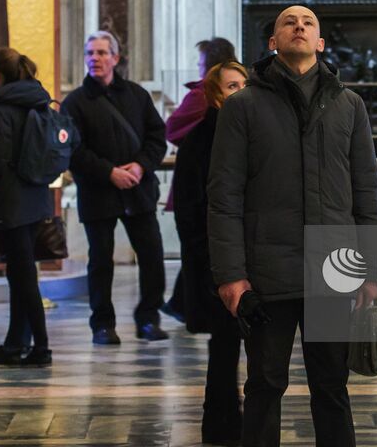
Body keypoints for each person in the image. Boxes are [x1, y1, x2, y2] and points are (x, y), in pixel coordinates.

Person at [208, 5, 377, 447]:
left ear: (320, 42)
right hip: (268, 271)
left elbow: (367, 192)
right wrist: (231, 275)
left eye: (308, 23)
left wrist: (373, 271)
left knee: (332, 385)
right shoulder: (242, 107)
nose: (299, 27)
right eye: (289, 22)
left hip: (334, 269)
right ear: (273, 41)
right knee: (265, 384)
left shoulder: (349, 105)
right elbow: (224, 196)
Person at [63, 31, 169, 344]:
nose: (94, 58)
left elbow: (157, 136)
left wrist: (140, 166)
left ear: (115, 58)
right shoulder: (75, 102)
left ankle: (148, 318)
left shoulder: (136, 94)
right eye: (90, 53)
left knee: (152, 255)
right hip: (98, 192)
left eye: (101, 53)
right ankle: (102, 324)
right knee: (100, 261)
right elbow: (73, 151)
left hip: (137, 188)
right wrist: (109, 172)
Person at [175, 61, 250, 445]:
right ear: (215, 94)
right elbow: (189, 209)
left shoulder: (253, 134)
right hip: (216, 259)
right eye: (232, 85)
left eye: (244, 84)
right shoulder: (200, 140)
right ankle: (222, 424)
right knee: (224, 345)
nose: (240, 91)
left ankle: (249, 422)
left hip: (254, 255)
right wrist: (208, 261)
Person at [0, 47, 60, 368]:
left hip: (11, 202)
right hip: (37, 198)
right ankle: (15, 343)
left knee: (23, 277)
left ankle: (42, 347)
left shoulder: (3, 109)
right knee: (20, 273)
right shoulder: (38, 100)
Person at [163, 37, 240, 319]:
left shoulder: (203, 96)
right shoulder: (202, 111)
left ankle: (184, 304)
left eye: (199, 63)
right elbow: (174, 129)